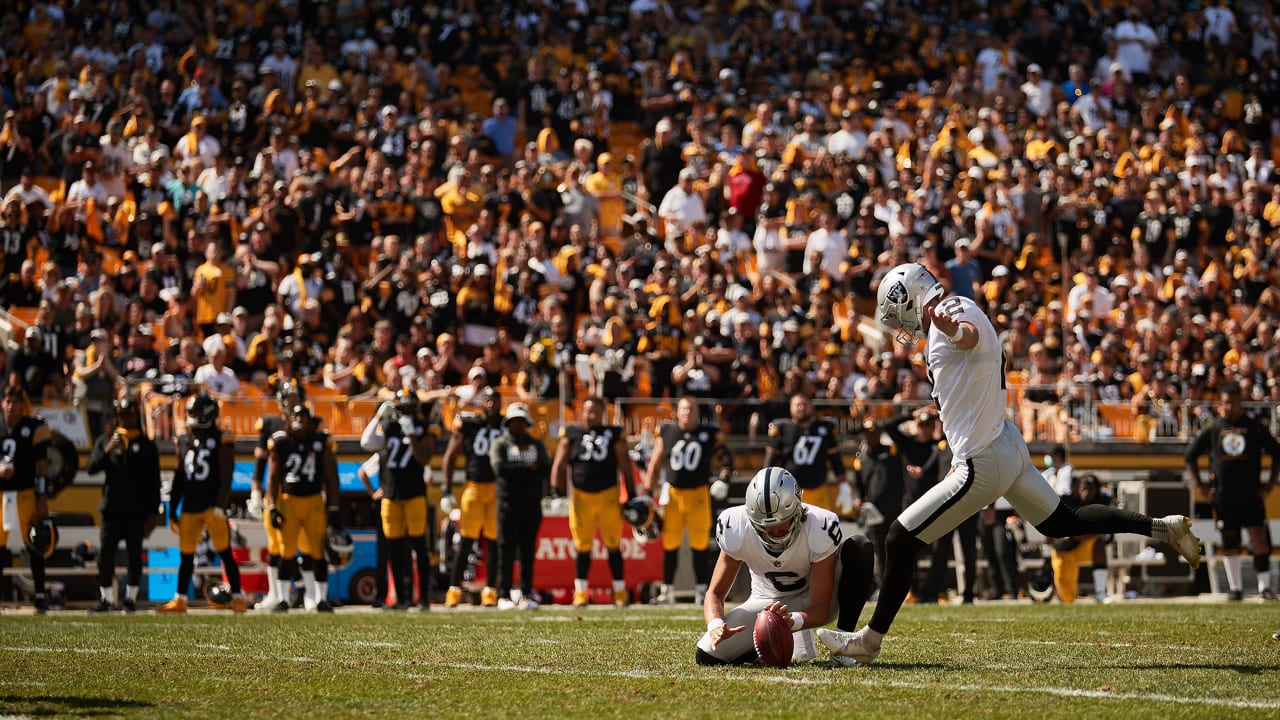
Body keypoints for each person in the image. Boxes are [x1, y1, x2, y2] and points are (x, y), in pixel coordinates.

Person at [818, 263, 1203, 665]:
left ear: (911, 296)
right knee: (1062, 523)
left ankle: (869, 641)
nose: (902, 324)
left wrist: (951, 330)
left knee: (899, 539)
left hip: (983, 458)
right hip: (1002, 444)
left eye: (899, 312)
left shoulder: (954, 312)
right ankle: (1161, 527)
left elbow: (968, 338)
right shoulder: (952, 311)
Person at [695, 467, 877, 665]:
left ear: (798, 509)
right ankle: (762, 646)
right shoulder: (735, 525)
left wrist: (793, 620)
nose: (775, 531)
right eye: (765, 526)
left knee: (860, 547)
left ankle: (844, 646)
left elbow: (820, 607)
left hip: (812, 598)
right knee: (708, 654)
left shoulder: (819, 525)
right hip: (765, 602)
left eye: (783, 523)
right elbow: (715, 594)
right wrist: (715, 625)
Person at [1185, 381, 1280, 601]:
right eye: (1225, 402)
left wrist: (1270, 484)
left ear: (1240, 402)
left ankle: (1264, 588)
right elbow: (1190, 455)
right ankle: (1235, 588)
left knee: (1259, 538)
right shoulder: (1214, 428)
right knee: (1230, 540)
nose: (1229, 407)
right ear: (1220, 403)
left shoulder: (1253, 426)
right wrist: (1200, 485)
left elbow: (1277, 453)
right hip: (1223, 496)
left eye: (1233, 402)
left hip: (1252, 495)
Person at [158, 393, 246, 613]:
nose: (191, 417)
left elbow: (226, 475)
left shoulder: (222, 438)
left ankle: (237, 597)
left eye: (195, 413)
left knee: (224, 551)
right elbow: (179, 476)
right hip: (190, 504)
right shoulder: (184, 439)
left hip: (211, 505)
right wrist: (173, 508)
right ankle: (181, 599)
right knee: (186, 555)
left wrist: (220, 504)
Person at [643, 395, 734, 605]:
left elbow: (725, 458)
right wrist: (648, 490)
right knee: (670, 544)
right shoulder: (667, 431)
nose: (687, 412)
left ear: (698, 412)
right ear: (677, 412)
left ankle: (702, 590)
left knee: (699, 545)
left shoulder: (708, 433)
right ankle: (667, 591)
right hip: (673, 494)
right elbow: (655, 463)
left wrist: (725, 478)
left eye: (692, 409)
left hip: (699, 494)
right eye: (684, 409)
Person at [550, 395, 638, 608]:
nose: (590, 416)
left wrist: (632, 495)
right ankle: (581, 592)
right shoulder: (571, 433)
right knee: (582, 546)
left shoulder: (614, 434)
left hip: (608, 495)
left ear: (603, 414)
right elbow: (559, 464)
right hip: (581, 498)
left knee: (613, 544)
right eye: (587, 411)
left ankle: (619, 591)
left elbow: (625, 465)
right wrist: (555, 492)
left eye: (595, 412)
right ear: (581, 412)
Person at [360, 388, 438, 610]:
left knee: (419, 547)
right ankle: (402, 598)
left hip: (414, 493)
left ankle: (423, 598)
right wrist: (378, 417)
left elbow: (424, 458)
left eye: (409, 406)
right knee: (394, 549)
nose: (405, 411)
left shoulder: (423, 428)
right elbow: (366, 443)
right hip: (391, 494)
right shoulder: (390, 427)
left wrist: (412, 434)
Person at [85, 395, 162, 613]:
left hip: (136, 510)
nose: (125, 419)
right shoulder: (107, 440)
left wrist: (152, 513)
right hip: (111, 509)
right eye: (121, 415)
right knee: (105, 556)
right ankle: (107, 598)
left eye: (129, 415)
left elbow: (153, 482)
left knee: (134, 556)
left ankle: (130, 599)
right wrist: (108, 449)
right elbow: (91, 468)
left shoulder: (146, 446)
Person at [266, 403, 340, 612]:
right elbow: (272, 478)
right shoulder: (280, 442)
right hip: (288, 500)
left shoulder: (320, 441)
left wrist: (333, 508)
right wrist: (272, 506)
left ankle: (321, 599)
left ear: (309, 420)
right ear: (289, 420)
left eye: (302, 417)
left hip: (314, 500)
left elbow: (331, 476)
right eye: (295, 416)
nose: (298, 421)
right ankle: (282, 599)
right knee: (286, 552)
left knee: (318, 552)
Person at [440, 387, 504, 608]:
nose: (491, 405)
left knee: (494, 542)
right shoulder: (468, 424)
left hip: (496, 489)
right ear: (480, 402)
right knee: (466, 540)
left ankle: (490, 590)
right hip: (474, 487)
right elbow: (450, 456)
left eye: (495, 400)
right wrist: (445, 488)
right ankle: (454, 590)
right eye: (487, 400)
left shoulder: (506, 425)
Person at [489, 402, 551, 609]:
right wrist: (526, 468)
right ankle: (503, 595)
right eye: (514, 421)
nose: (518, 425)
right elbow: (500, 469)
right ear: (509, 423)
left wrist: (518, 469)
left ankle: (526, 594)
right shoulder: (500, 444)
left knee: (527, 552)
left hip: (531, 505)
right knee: (505, 550)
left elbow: (544, 468)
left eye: (520, 421)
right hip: (507, 505)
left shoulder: (536, 444)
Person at [251, 379, 305, 609]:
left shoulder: (307, 422)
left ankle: (304, 589)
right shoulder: (270, 423)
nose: (291, 402)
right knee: (274, 543)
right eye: (288, 397)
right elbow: (260, 461)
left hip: (299, 491)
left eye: (295, 397)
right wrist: (255, 491)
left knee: (298, 544)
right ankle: (277, 593)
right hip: (275, 492)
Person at [0, 386, 53, 613]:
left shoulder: (33, 426)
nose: (11, 406)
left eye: (15, 401)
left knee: (35, 543)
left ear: (23, 404)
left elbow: (42, 466)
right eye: (7, 401)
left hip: (24, 493)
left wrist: (42, 495)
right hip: (0, 494)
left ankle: (40, 596)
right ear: (2, 403)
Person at [763, 392, 855, 516]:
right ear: (790, 407)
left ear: (812, 407)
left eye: (805, 404)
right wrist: (766, 485)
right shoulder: (783, 429)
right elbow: (770, 463)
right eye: (798, 404)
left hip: (818, 490)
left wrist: (844, 485)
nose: (801, 407)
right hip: (788, 493)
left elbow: (835, 460)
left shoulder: (824, 428)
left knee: (822, 529)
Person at [1049, 473, 1114, 604]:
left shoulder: (1101, 502)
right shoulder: (1066, 500)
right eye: (1083, 488)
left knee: (1098, 543)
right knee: (1067, 598)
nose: (1086, 493)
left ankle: (1101, 592)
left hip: (1082, 546)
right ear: (1077, 488)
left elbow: (1105, 533)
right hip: (1063, 550)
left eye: (1090, 489)